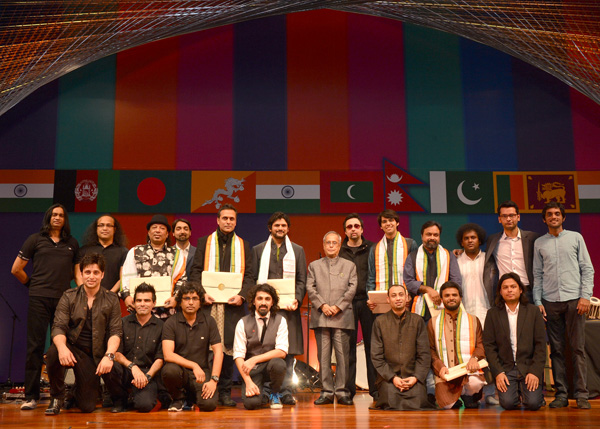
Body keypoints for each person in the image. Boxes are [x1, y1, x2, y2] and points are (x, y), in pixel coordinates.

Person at [11, 203, 79, 410]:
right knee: (35, 347)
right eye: (53, 215)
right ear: (48, 218)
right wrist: (32, 285)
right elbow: (16, 269)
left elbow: (77, 274)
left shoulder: (72, 243)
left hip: (64, 300)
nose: (57, 218)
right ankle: (31, 396)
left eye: (61, 215)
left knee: (60, 347)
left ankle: (59, 396)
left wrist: (82, 295)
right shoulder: (35, 240)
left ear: (65, 219)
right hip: (39, 299)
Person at [188, 204, 254, 406]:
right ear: (217, 220)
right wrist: (202, 294)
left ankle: (225, 392)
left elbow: (250, 276)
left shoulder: (243, 245)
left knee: (228, 349)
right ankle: (204, 388)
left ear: (236, 221)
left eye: (232, 219)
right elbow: (195, 272)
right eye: (224, 218)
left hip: (232, 307)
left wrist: (242, 296)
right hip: (208, 305)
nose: (228, 222)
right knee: (205, 347)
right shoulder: (204, 243)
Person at [533, 202, 595, 409]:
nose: (553, 217)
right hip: (550, 302)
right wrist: (538, 301)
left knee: (577, 349)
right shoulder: (539, 243)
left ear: (563, 217)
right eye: (549, 214)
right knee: (557, 350)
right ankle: (561, 394)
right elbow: (537, 274)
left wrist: (585, 296)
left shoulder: (576, 238)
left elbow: (587, 269)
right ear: (544, 219)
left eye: (557, 213)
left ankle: (581, 394)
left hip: (574, 301)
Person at [44, 253, 122, 415]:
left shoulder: (111, 299)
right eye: (87, 272)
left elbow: (115, 331)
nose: (91, 276)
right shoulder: (69, 296)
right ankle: (57, 397)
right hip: (73, 347)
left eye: (95, 272)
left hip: (95, 353)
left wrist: (109, 356)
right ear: (81, 274)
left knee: (87, 407)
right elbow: (58, 326)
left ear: (102, 274)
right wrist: (62, 348)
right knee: (53, 352)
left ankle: (73, 392)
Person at [252, 212, 306, 406]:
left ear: (288, 228)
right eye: (277, 225)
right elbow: (252, 278)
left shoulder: (297, 251)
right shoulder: (258, 250)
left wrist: (297, 300)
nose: (280, 228)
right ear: (270, 228)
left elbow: (301, 280)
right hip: (265, 311)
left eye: (283, 225)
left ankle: (285, 391)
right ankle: (267, 391)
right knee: (265, 350)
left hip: (289, 310)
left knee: (288, 353)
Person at [307, 231, 357, 406]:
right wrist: (322, 305)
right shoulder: (314, 266)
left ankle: (342, 392)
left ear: (339, 245)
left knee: (343, 356)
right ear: (323, 245)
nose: (330, 246)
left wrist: (338, 306)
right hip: (321, 316)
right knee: (323, 357)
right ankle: (327, 391)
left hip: (341, 316)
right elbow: (310, 288)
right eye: (328, 243)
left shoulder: (349, 265)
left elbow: (352, 288)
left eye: (334, 243)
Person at [483, 273, 545, 411]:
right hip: (506, 369)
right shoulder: (492, 314)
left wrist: (535, 372)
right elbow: (489, 346)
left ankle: (529, 393)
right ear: (500, 291)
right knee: (508, 404)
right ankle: (516, 392)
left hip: (528, 368)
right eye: (505, 287)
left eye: (513, 287)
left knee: (533, 404)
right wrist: (498, 372)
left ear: (520, 289)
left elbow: (541, 346)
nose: (509, 290)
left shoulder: (533, 312)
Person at [161, 282, 223, 412]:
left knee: (209, 405)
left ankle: (192, 398)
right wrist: (193, 365)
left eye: (194, 299)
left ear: (200, 302)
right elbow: (168, 354)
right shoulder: (170, 322)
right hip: (180, 372)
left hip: (201, 373)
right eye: (186, 298)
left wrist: (213, 380)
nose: (190, 302)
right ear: (180, 301)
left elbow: (218, 352)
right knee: (169, 370)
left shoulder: (209, 321)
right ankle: (178, 399)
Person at [370, 284, 432, 410]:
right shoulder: (380, 322)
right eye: (393, 295)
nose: (398, 298)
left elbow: (424, 354)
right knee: (389, 400)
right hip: (389, 379)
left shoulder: (417, 321)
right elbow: (376, 356)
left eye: (401, 295)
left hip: (413, 377)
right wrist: (393, 378)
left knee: (420, 400)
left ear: (407, 298)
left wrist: (415, 377)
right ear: (388, 300)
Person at [455, 223, 497, 405]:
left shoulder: (489, 259)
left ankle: (492, 392)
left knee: (490, 353)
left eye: (473, 237)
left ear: (480, 240)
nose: (470, 240)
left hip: (488, 311)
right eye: (466, 238)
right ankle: (469, 392)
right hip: (464, 314)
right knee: (466, 354)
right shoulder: (455, 261)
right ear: (461, 242)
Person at [427, 281, 486, 409]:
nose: (451, 298)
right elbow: (430, 349)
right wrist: (440, 367)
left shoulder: (473, 320)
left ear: (460, 298)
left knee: (475, 384)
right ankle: (457, 398)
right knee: (447, 405)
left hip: (468, 370)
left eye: (454, 295)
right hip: (447, 371)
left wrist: (474, 358)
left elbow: (481, 344)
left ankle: (468, 395)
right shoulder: (433, 322)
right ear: (442, 299)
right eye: (447, 295)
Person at [339, 213, 377, 401]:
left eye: (356, 226)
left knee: (373, 347)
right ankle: (347, 391)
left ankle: (376, 390)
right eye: (349, 227)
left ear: (362, 229)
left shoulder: (373, 248)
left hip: (370, 303)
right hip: (347, 304)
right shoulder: (339, 250)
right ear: (345, 231)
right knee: (347, 348)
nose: (353, 229)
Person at [234, 284, 289, 410]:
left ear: (272, 302)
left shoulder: (281, 320)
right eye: (259, 299)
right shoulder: (242, 322)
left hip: (270, 366)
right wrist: (248, 382)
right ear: (253, 301)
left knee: (279, 364)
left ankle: (274, 393)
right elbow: (238, 355)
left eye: (267, 299)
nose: (263, 303)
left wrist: (254, 359)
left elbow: (282, 351)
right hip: (252, 370)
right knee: (251, 404)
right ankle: (263, 393)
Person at [112, 283, 165, 413]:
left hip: (147, 373)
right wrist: (132, 367)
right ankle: (120, 400)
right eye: (139, 300)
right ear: (134, 303)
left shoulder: (162, 326)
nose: (142, 304)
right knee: (109, 364)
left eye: (147, 300)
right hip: (125, 370)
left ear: (154, 303)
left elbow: (160, 358)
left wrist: (147, 376)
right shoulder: (122, 322)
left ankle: (133, 398)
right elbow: (117, 353)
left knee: (144, 406)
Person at [121, 214, 186, 317]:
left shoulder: (176, 254)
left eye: (162, 228)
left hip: (167, 311)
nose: (157, 230)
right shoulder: (135, 251)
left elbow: (181, 279)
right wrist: (126, 296)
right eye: (154, 227)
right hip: (140, 311)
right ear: (149, 232)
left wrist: (176, 298)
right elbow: (126, 276)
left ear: (167, 234)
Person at [404, 221, 462, 320]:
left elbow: (456, 282)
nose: (432, 237)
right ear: (422, 236)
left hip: (444, 307)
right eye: (428, 234)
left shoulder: (448, 256)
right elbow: (408, 282)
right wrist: (428, 290)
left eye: (436, 235)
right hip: (420, 311)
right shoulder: (413, 256)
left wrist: (442, 293)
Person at [484, 200, 539, 304]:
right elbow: (481, 255)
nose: (508, 219)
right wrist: (460, 252)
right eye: (504, 216)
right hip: (505, 293)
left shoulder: (532, 238)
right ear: (499, 219)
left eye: (511, 215)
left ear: (518, 217)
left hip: (528, 291)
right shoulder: (493, 240)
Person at [75, 214, 128, 293]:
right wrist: (86, 294)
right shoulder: (84, 250)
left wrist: (109, 295)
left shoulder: (123, 251)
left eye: (109, 225)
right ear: (96, 228)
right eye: (101, 225)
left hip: (111, 300)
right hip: (85, 298)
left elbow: (123, 278)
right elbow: (78, 275)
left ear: (115, 229)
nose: (105, 228)